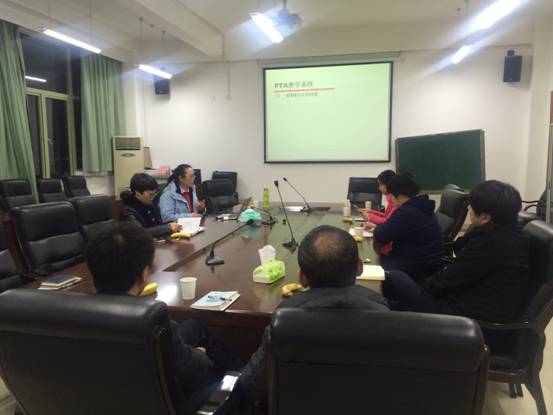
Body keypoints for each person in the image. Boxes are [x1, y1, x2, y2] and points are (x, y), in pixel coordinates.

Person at [216, 225, 389, 414]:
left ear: (302, 277)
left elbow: (251, 384)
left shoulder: (283, 322)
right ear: (360, 267)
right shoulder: (386, 318)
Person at [85, 222, 243, 414]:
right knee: (229, 377)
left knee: (195, 326)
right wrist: (199, 353)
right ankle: (245, 380)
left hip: (105, 400)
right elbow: (196, 369)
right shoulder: (153, 323)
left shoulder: (68, 316)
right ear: (143, 273)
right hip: (170, 406)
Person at [382, 180, 529, 324]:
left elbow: (449, 279)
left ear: (485, 218)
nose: (468, 208)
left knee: (394, 276)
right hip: (465, 302)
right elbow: (459, 262)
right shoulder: (507, 233)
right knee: (393, 292)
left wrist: (421, 291)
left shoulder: (491, 244)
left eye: (472, 206)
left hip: (465, 319)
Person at [369, 174, 443, 281]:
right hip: (426, 263)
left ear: (400, 196)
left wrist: (378, 227)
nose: (392, 200)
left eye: (392, 196)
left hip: (413, 267)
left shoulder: (407, 212)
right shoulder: (422, 205)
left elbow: (381, 235)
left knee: (372, 267)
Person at [119, 173, 180, 238]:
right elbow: (140, 233)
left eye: (154, 194)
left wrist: (168, 225)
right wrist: (167, 228)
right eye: (150, 194)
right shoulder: (127, 212)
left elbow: (157, 225)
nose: (153, 197)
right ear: (137, 193)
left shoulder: (148, 204)